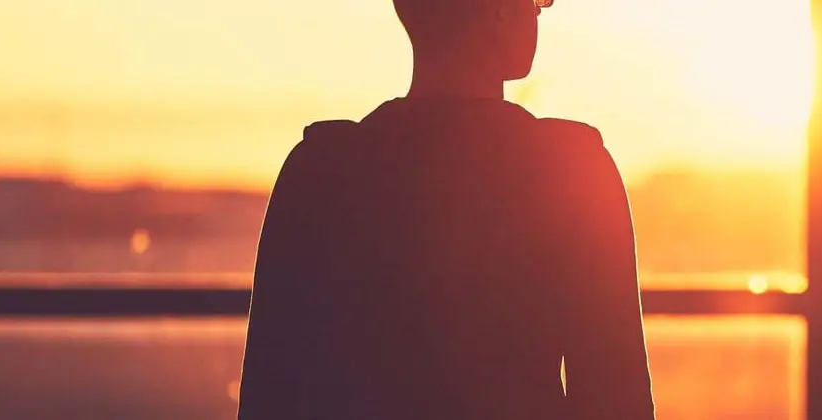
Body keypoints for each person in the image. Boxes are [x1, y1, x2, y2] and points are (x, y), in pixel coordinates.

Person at [237, 0, 656, 418]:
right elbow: (617, 397)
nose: (543, 9)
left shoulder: (317, 171)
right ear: (500, 10)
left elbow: (268, 395)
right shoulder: (573, 172)